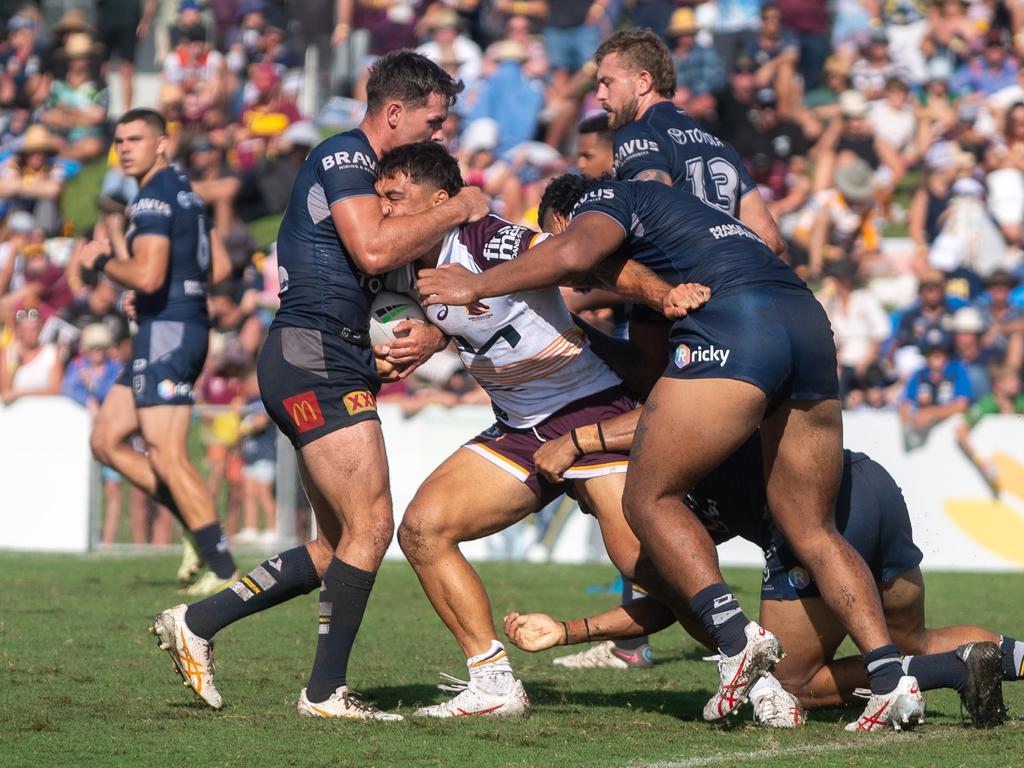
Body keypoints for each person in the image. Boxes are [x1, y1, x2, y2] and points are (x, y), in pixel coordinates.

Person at [417, 174, 926, 732]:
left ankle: (738, 645)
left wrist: (476, 286)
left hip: (738, 323)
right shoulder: (683, 230)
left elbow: (574, 254)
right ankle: (890, 681)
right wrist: (617, 315)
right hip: (803, 316)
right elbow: (762, 248)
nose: (574, 280)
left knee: (649, 499)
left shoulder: (603, 206)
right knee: (811, 530)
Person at [148, 50, 489, 721]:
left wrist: (414, 338)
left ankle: (200, 620)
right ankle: (325, 692)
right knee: (372, 523)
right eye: (434, 119)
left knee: (338, 544)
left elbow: (378, 268)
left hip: (325, 356)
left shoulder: (365, 173)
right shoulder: (343, 157)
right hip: (314, 356)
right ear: (395, 112)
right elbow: (371, 251)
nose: (441, 134)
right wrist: (459, 208)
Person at [376, 143, 680, 717]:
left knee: (654, 574)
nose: (384, 210)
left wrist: (663, 294)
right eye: (381, 197)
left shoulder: (486, 239)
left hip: (590, 410)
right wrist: (430, 339)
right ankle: (493, 684)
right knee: (421, 530)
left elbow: (584, 262)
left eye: (395, 198)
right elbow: (472, 325)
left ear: (439, 201)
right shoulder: (399, 265)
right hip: (517, 429)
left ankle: (747, 659)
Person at [507, 424, 1015, 730]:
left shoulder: (648, 482)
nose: (582, 507)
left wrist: (578, 439)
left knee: (789, 683)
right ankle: (1005, 656)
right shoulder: (661, 473)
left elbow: (652, 419)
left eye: (576, 496)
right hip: (868, 482)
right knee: (912, 639)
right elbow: (679, 599)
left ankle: (954, 670)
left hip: (818, 513)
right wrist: (572, 631)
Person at [78, 108, 240, 597]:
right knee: (106, 440)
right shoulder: (186, 194)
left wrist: (103, 259)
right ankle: (197, 528)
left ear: (162, 144)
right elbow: (222, 265)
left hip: (169, 331)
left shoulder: (151, 198)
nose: (125, 148)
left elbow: (147, 275)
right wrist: (160, 290)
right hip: (168, 324)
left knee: (167, 452)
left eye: (135, 139)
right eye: (120, 141)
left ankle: (221, 562)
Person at [592, 29, 786, 256]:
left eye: (607, 82)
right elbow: (771, 240)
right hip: (734, 277)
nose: (599, 94)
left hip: (689, 281)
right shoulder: (720, 146)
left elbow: (654, 219)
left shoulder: (638, 133)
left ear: (643, 82)